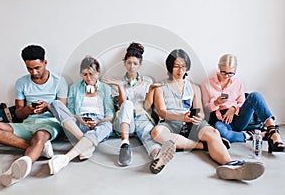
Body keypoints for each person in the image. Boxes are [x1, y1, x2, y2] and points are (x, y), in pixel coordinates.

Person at [150, 49, 264, 180]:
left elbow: (201, 112)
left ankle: (231, 165)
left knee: (213, 133)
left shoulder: (194, 87)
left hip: (191, 122)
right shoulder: (160, 87)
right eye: (176, 66)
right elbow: (162, 112)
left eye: (183, 66)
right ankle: (201, 145)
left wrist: (197, 117)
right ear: (170, 67)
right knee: (156, 132)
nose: (180, 70)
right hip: (171, 122)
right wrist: (180, 117)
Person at [0, 45, 68, 186]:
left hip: (50, 122)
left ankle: (16, 170)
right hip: (28, 123)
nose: (34, 72)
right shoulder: (21, 83)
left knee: (40, 136)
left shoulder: (59, 82)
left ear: (45, 63)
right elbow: (18, 113)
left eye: (37, 68)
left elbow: (63, 113)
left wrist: (48, 107)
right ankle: (39, 149)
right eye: (29, 68)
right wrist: (28, 110)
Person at [103, 42, 175, 167]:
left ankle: (157, 158)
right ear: (124, 63)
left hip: (142, 117)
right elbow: (121, 105)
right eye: (129, 62)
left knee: (148, 136)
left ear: (140, 65)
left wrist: (151, 89)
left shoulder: (148, 81)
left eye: (135, 63)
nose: (132, 66)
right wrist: (120, 86)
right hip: (125, 124)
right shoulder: (117, 82)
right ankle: (124, 145)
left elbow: (147, 107)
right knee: (127, 104)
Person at [201, 54, 285, 152]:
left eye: (231, 73)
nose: (227, 76)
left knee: (254, 95)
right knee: (222, 134)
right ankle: (252, 134)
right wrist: (216, 102)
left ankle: (273, 132)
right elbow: (206, 108)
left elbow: (241, 101)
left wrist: (233, 108)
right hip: (221, 120)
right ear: (219, 67)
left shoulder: (237, 81)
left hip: (239, 117)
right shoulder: (207, 83)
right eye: (223, 72)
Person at [47, 55, 115, 174]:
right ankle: (87, 145)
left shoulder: (106, 89)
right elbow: (71, 112)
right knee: (55, 104)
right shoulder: (74, 88)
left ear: (98, 72)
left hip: (99, 123)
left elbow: (110, 115)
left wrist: (99, 122)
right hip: (78, 124)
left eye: (91, 74)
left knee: (108, 126)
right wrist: (80, 119)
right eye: (84, 74)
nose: (88, 78)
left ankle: (66, 158)